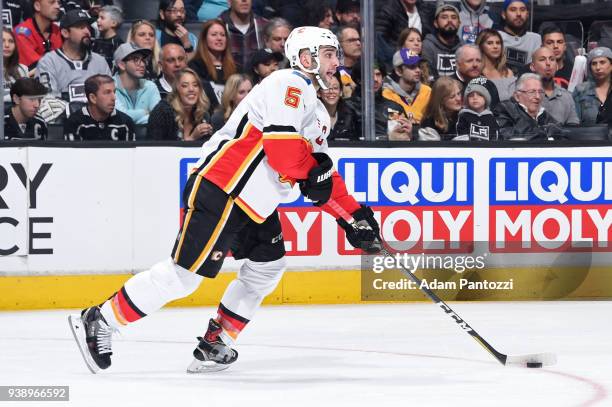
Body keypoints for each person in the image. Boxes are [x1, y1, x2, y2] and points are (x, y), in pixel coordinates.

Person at [68, 26, 381, 375]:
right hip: (225, 188)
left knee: (268, 266)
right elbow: (283, 152)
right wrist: (314, 176)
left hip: (256, 206)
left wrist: (353, 217)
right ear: (306, 58)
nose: (336, 62)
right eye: (328, 53)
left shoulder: (318, 112)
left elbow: (321, 176)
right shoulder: (288, 83)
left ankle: (216, 341)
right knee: (183, 276)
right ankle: (102, 319)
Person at [36, 9, 111, 101]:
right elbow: (48, 102)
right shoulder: (48, 62)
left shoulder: (100, 62)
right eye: (81, 27)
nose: (87, 31)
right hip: (63, 115)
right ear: (65, 33)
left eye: (88, 27)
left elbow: (110, 98)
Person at [348, 60, 413, 141]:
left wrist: (409, 135)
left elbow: (403, 139)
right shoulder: (348, 106)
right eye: (370, 75)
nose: (375, 79)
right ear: (359, 80)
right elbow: (345, 140)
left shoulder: (394, 107)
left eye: (378, 75)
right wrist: (387, 138)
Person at [64, 74, 136, 141]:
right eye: (107, 93)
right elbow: (73, 153)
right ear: (93, 98)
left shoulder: (125, 123)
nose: (114, 98)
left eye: (114, 92)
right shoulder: (74, 123)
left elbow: (130, 154)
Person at [147, 68, 213, 141]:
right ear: (177, 90)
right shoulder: (162, 112)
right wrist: (192, 138)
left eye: (195, 85)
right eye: (185, 86)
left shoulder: (203, 115)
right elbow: (155, 149)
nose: (191, 89)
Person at [188, 19, 237, 114]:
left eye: (222, 35)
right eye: (214, 35)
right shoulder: (195, 66)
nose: (219, 38)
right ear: (204, 39)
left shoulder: (235, 68)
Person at [494, 73, 559, 140]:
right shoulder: (505, 109)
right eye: (532, 92)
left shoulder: (544, 114)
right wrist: (542, 131)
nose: (538, 96)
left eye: (540, 92)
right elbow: (505, 134)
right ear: (517, 96)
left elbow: (561, 132)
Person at [113, 43, 161, 125]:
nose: (142, 64)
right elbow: (119, 117)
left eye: (143, 60)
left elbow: (159, 118)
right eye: (135, 60)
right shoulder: (109, 86)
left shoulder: (150, 86)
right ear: (121, 65)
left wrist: (132, 117)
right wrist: (144, 112)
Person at [529, 47, 579, 126]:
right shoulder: (524, 95)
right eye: (542, 59)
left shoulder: (566, 96)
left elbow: (573, 128)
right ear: (532, 67)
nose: (548, 63)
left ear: (556, 66)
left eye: (552, 59)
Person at [382, 48, 431, 124]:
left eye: (418, 66)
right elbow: (396, 124)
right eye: (412, 67)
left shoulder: (428, 92)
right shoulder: (387, 95)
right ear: (399, 71)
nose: (418, 70)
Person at [218, 0, 268, 72]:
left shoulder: (264, 26)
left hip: (259, 80)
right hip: (227, 80)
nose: (244, 0)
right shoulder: (218, 26)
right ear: (230, 2)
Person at [14, 0, 62, 70]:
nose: (57, 6)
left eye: (58, 3)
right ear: (37, 6)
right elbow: (36, 66)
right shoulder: (21, 32)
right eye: (52, 2)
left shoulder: (59, 31)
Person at [497, 0, 541, 73]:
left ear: (527, 14)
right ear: (503, 14)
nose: (518, 14)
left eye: (522, 10)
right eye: (513, 10)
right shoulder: (495, 37)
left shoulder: (536, 39)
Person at [573, 47, 612, 125]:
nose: (598, 67)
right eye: (594, 63)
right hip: (588, 135)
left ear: (611, 65)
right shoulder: (581, 90)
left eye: (602, 62)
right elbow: (574, 122)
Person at [422, 4, 463, 78]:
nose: (450, 20)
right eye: (444, 17)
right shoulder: (428, 45)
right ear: (436, 23)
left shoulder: (463, 48)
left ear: (459, 23)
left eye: (454, 17)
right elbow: (428, 78)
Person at [476, 29, 515, 102]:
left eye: (498, 43)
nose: (495, 46)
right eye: (490, 43)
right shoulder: (475, 73)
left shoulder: (508, 73)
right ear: (481, 46)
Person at [317, 71, 356, 141]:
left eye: (335, 88)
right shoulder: (312, 116)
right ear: (319, 93)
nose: (331, 91)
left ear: (341, 92)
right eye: (326, 87)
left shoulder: (350, 115)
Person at [541, 26, 575, 90]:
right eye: (550, 43)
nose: (555, 46)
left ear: (565, 46)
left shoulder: (574, 71)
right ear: (542, 46)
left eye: (559, 42)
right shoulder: (532, 70)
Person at [92, 5, 124, 70]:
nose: (98, 20)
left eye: (102, 18)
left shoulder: (118, 44)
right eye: (98, 17)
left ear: (114, 23)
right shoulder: (96, 42)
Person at [3, 28, 29, 103]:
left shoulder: (23, 69)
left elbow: (27, 95)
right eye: (2, 41)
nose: (7, 45)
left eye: (11, 41)